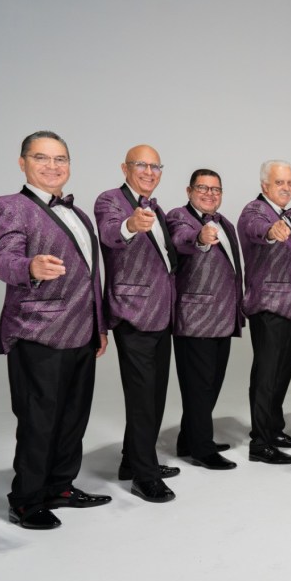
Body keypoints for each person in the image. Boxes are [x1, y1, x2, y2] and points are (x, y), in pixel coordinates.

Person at [0, 130, 110, 529]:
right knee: (38, 421)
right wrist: (30, 267)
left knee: (74, 417)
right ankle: (25, 500)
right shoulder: (7, 207)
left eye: (60, 159)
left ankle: (60, 487)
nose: (52, 166)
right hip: (37, 329)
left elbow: (90, 276)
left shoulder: (80, 214)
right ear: (22, 163)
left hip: (83, 331)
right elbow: (3, 260)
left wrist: (100, 325)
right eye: (41, 158)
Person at [94, 144, 179, 502]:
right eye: (141, 165)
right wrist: (130, 225)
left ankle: (133, 460)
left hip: (162, 314)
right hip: (133, 312)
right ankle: (145, 476)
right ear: (125, 168)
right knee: (143, 397)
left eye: (155, 166)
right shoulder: (110, 200)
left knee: (154, 395)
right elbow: (110, 233)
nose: (149, 172)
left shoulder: (156, 208)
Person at [165, 169, 243, 471]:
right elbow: (180, 240)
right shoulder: (179, 217)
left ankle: (189, 439)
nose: (210, 194)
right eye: (203, 188)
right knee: (198, 388)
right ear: (189, 191)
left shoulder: (226, 224)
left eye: (216, 189)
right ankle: (202, 449)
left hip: (223, 317)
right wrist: (199, 237)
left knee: (211, 385)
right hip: (195, 318)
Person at [238, 160, 291, 465]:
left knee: (281, 375)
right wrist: (271, 231)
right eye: (279, 182)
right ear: (264, 185)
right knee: (266, 377)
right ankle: (260, 442)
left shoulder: (283, 216)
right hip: (269, 307)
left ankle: (274, 429)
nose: (286, 188)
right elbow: (257, 230)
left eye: (290, 182)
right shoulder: (256, 211)